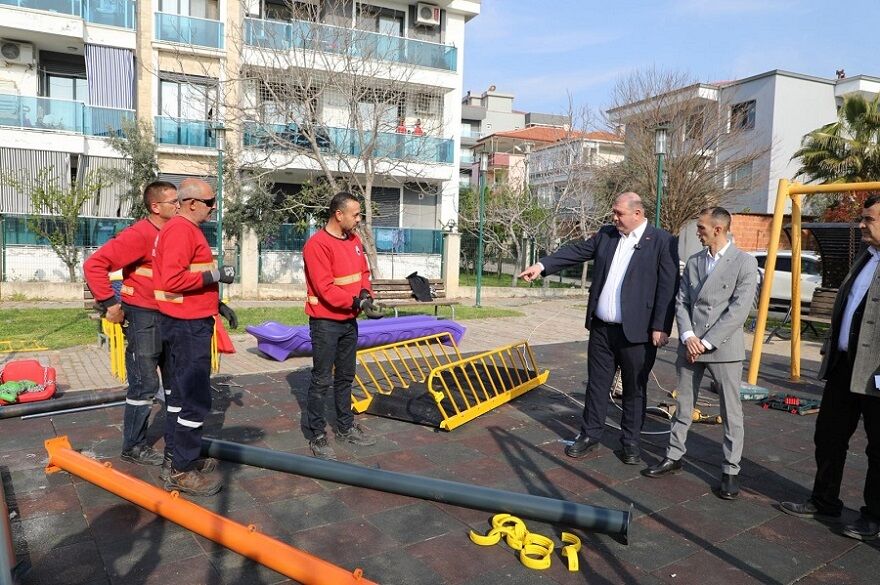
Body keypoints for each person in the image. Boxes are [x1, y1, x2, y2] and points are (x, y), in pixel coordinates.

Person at [519, 192, 678, 464]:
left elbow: (668, 287)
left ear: (637, 214)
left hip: (638, 334)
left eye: (619, 213)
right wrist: (542, 265)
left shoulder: (662, 242)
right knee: (597, 384)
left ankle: (630, 442)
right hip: (602, 329)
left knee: (634, 388)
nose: (614, 218)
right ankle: (589, 434)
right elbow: (577, 251)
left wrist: (661, 326)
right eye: (613, 213)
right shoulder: (606, 235)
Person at [780, 195, 880, 541]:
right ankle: (824, 500)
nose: (861, 225)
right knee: (829, 435)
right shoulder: (865, 257)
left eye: (869, 219)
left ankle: (874, 517)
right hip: (843, 366)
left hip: (876, 374)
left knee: (878, 448)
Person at [641, 207, 758, 500]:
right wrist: (689, 335)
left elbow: (738, 311)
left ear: (718, 229)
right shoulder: (694, 261)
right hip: (690, 346)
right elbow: (682, 301)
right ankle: (674, 455)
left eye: (702, 228)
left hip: (723, 349)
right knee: (683, 406)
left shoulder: (744, 263)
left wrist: (706, 342)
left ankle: (731, 470)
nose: (698, 232)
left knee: (731, 413)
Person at [83, 181, 179, 467]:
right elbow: (94, 265)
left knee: (175, 382)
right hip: (143, 317)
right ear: (155, 206)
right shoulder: (140, 234)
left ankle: (176, 440)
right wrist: (109, 304)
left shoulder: (175, 233)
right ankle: (133, 446)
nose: (178, 205)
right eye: (173, 201)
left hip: (169, 316)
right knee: (145, 383)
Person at [153, 178, 237, 497]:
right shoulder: (181, 230)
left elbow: (187, 278)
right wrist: (218, 275)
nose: (213, 208)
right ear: (191, 204)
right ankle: (181, 470)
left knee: (180, 398)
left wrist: (217, 303)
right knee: (194, 400)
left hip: (188, 320)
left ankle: (177, 458)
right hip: (187, 326)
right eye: (210, 202)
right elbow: (173, 279)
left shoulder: (184, 230)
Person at [302, 191, 382, 460]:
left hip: (349, 320)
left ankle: (345, 426)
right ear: (339, 214)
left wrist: (366, 295)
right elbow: (325, 289)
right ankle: (316, 434)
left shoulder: (354, 241)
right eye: (355, 214)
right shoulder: (317, 245)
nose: (358, 219)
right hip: (326, 322)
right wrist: (357, 303)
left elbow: (362, 274)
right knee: (322, 379)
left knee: (346, 376)